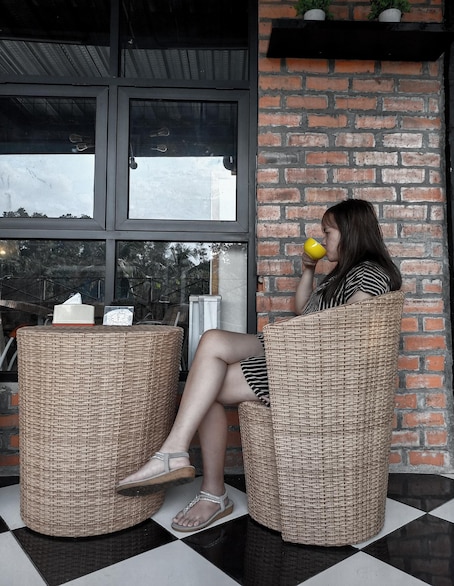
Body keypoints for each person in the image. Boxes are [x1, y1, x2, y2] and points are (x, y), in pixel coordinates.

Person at [116, 198, 402, 532]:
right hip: (290, 350)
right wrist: (309, 269)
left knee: (204, 388)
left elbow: (351, 328)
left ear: (351, 232)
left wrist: (293, 337)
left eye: (328, 232)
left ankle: (206, 486)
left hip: (308, 368)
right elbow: (302, 309)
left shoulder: (369, 274)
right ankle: (176, 453)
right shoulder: (341, 274)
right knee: (211, 341)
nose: (323, 240)